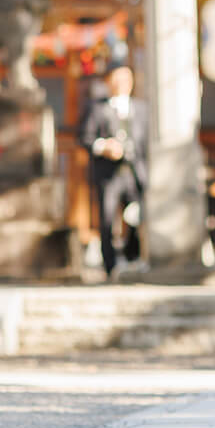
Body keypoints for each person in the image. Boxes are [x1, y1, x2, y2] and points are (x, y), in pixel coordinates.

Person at [79, 64, 149, 278]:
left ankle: (133, 257)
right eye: (117, 79)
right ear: (109, 82)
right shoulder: (97, 108)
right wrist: (103, 146)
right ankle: (110, 264)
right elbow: (84, 138)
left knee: (135, 216)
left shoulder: (141, 109)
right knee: (107, 217)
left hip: (134, 171)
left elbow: (145, 143)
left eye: (126, 79)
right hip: (108, 173)